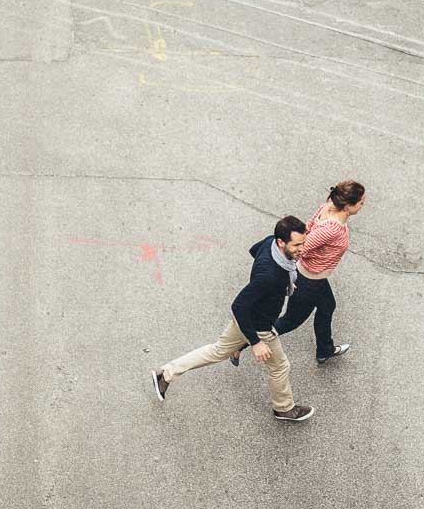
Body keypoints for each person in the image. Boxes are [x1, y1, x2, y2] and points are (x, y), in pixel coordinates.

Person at [153, 216, 316, 422]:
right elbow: (238, 306)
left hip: (246, 320)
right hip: (259, 325)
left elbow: (254, 250)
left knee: (217, 351)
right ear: (281, 242)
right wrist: (255, 342)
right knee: (280, 367)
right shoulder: (270, 276)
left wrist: (281, 284)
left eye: (303, 242)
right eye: (297, 245)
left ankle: (166, 373)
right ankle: (283, 408)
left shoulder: (270, 244)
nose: (302, 249)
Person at [277, 180, 365, 366]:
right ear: (348, 206)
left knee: (327, 306)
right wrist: (288, 275)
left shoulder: (327, 207)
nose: (362, 205)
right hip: (310, 280)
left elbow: (307, 228)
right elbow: (301, 248)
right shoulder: (332, 229)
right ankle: (245, 340)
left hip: (316, 278)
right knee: (290, 321)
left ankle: (324, 350)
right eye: (361, 203)